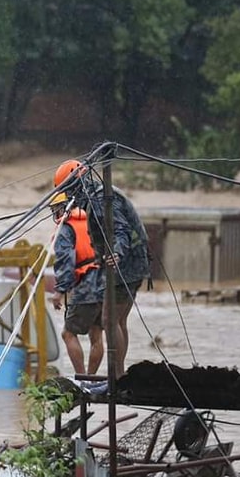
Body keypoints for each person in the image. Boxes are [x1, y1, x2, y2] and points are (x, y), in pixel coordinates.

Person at [54, 159, 150, 376]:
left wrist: (117, 252)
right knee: (117, 319)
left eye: (68, 191)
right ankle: (120, 375)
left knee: (109, 319)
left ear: (76, 186)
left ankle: (117, 377)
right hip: (134, 261)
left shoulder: (99, 199)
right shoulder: (97, 196)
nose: (68, 197)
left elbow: (120, 230)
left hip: (126, 264)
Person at [48, 192, 105, 376]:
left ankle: (82, 379)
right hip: (104, 283)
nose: (55, 213)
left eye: (56, 209)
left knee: (68, 333)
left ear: (64, 208)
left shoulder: (65, 230)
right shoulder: (91, 221)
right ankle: (91, 378)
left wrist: (59, 291)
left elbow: (66, 261)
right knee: (96, 334)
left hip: (86, 286)